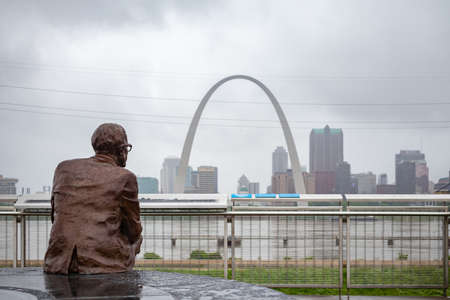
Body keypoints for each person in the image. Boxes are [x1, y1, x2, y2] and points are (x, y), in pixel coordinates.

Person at [44, 123, 142, 274]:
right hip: (102, 265)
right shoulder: (125, 177)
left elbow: (54, 215)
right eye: (126, 148)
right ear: (121, 150)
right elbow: (133, 230)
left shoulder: (63, 168)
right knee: (137, 239)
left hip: (57, 261)